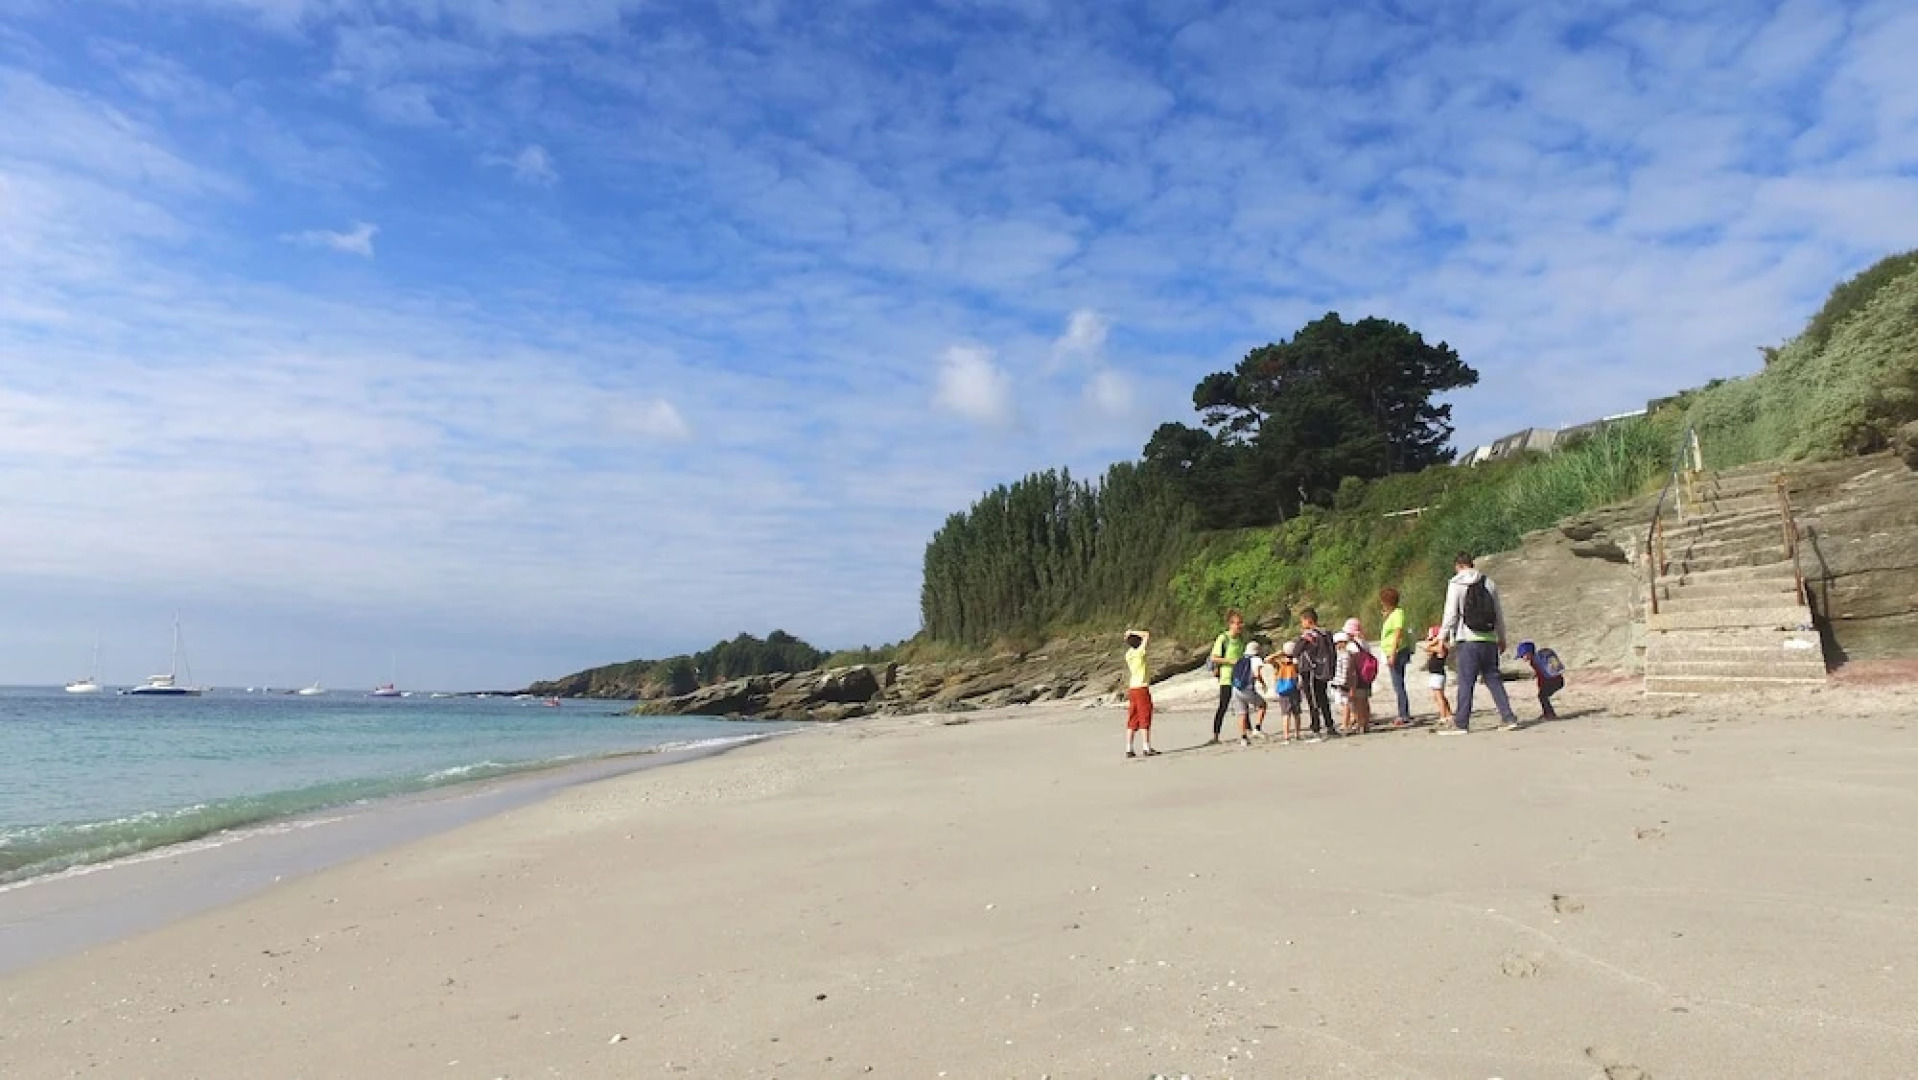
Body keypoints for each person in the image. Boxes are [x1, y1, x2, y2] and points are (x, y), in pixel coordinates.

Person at [1439, 552, 1520, 732]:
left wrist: (1441, 637)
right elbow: (1498, 613)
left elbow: (1451, 614)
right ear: (1471, 563)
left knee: (1466, 682)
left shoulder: (1456, 583)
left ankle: (1461, 723)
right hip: (1489, 638)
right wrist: (1501, 637)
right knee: (1493, 679)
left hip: (1468, 639)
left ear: (1458, 566)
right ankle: (1508, 717)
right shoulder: (1489, 583)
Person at [1295, 608, 1338, 741]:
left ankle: (1316, 729)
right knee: (1323, 698)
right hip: (1324, 670)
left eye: (1302, 621)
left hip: (1311, 670)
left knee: (1313, 700)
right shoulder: (1326, 633)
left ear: (1309, 620)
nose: (1302, 624)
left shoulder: (1310, 635)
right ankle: (1329, 725)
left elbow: (1296, 650)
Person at [1208, 610, 1248, 745]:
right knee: (1223, 705)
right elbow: (1214, 657)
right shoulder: (1223, 638)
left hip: (1239, 677)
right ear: (1230, 625)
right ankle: (1215, 735)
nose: (1239, 626)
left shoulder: (1241, 640)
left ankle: (1247, 731)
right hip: (1226, 677)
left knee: (1243, 703)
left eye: (1241, 623)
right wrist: (1230, 661)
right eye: (1237, 624)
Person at [1379, 587, 1413, 727]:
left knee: (1398, 684)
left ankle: (1403, 714)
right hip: (1392, 651)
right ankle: (1403, 712)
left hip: (1397, 652)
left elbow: (1398, 633)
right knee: (1398, 683)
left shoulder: (1398, 613)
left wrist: (1393, 653)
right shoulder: (1393, 614)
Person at [1122, 630, 1159, 758]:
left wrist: (1129, 635)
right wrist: (1132, 631)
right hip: (1142, 687)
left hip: (1132, 688)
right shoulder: (1140, 652)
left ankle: (1129, 748)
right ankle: (1146, 747)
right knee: (1145, 716)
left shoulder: (1128, 654)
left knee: (1133, 717)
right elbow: (1147, 634)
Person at [1229, 640, 1268, 746]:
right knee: (1263, 705)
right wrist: (1263, 683)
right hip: (1247, 689)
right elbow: (1256, 674)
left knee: (1242, 714)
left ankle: (1243, 738)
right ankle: (1257, 728)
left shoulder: (1241, 659)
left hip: (1236, 689)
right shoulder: (1256, 659)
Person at [1515, 641, 1566, 721]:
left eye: (1522, 656)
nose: (1522, 658)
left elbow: (1543, 675)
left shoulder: (1535, 661)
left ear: (1528, 653)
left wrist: (1541, 685)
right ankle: (1548, 713)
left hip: (1552, 682)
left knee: (1542, 696)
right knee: (1542, 696)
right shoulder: (1539, 658)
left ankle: (1550, 714)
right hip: (1558, 680)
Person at [1343, 617, 1375, 735]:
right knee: (1364, 700)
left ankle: (1360, 723)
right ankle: (1366, 722)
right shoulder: (1364, 643)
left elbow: (1351, 663)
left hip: (1356, 675)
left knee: (1356, 701)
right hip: (1366, 674)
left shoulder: (1351, 645)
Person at [1419, 625, 1454, 727]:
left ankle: (1443, 716)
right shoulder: (1439, 648)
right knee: (1440, 696)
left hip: (1437, 675)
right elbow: (1429, 651)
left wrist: (1436, 640)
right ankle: (1448, 714)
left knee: (1439, 697)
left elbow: (1428, 647)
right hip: (1437, 675)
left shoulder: (1441, 648)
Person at [1273, 642, 1304, 742]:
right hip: (1294, 689)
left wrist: (1278, 654)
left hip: (1283, 691)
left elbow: (1267, 659)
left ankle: (1286, 735)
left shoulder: (1280, 663)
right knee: (1297, 713)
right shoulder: (1296, 662)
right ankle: (1297, 733)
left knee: (1285, 714)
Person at [1328, 629, 1351, 734]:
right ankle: (1347, 721)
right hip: (1337, 682)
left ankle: (1346, 723)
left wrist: (1343, 682)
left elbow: (1345, 670)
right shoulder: (1340, 654)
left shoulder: (1345, 655)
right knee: (1340, 703)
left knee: (1344, 703)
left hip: (1342, 683)